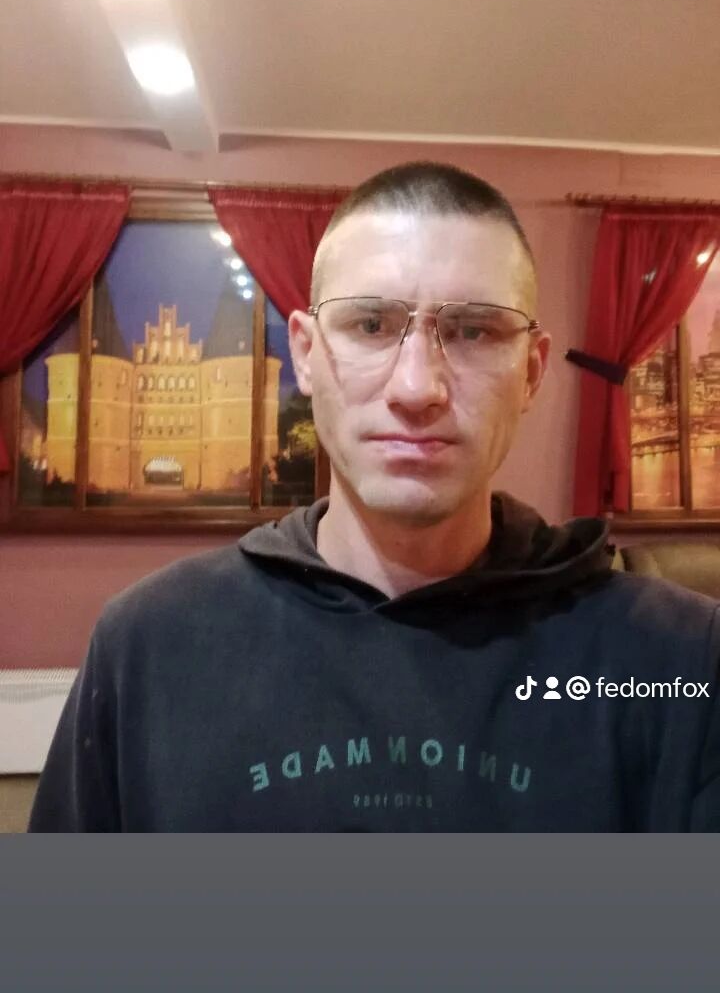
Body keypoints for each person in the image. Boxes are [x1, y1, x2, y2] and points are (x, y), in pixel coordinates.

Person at [29, 161, 720, 831]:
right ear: (305, 354)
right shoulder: (150, 645)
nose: (416, 388)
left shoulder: (679, 663)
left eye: (473, 331)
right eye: (370, 325)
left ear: (532, 373)